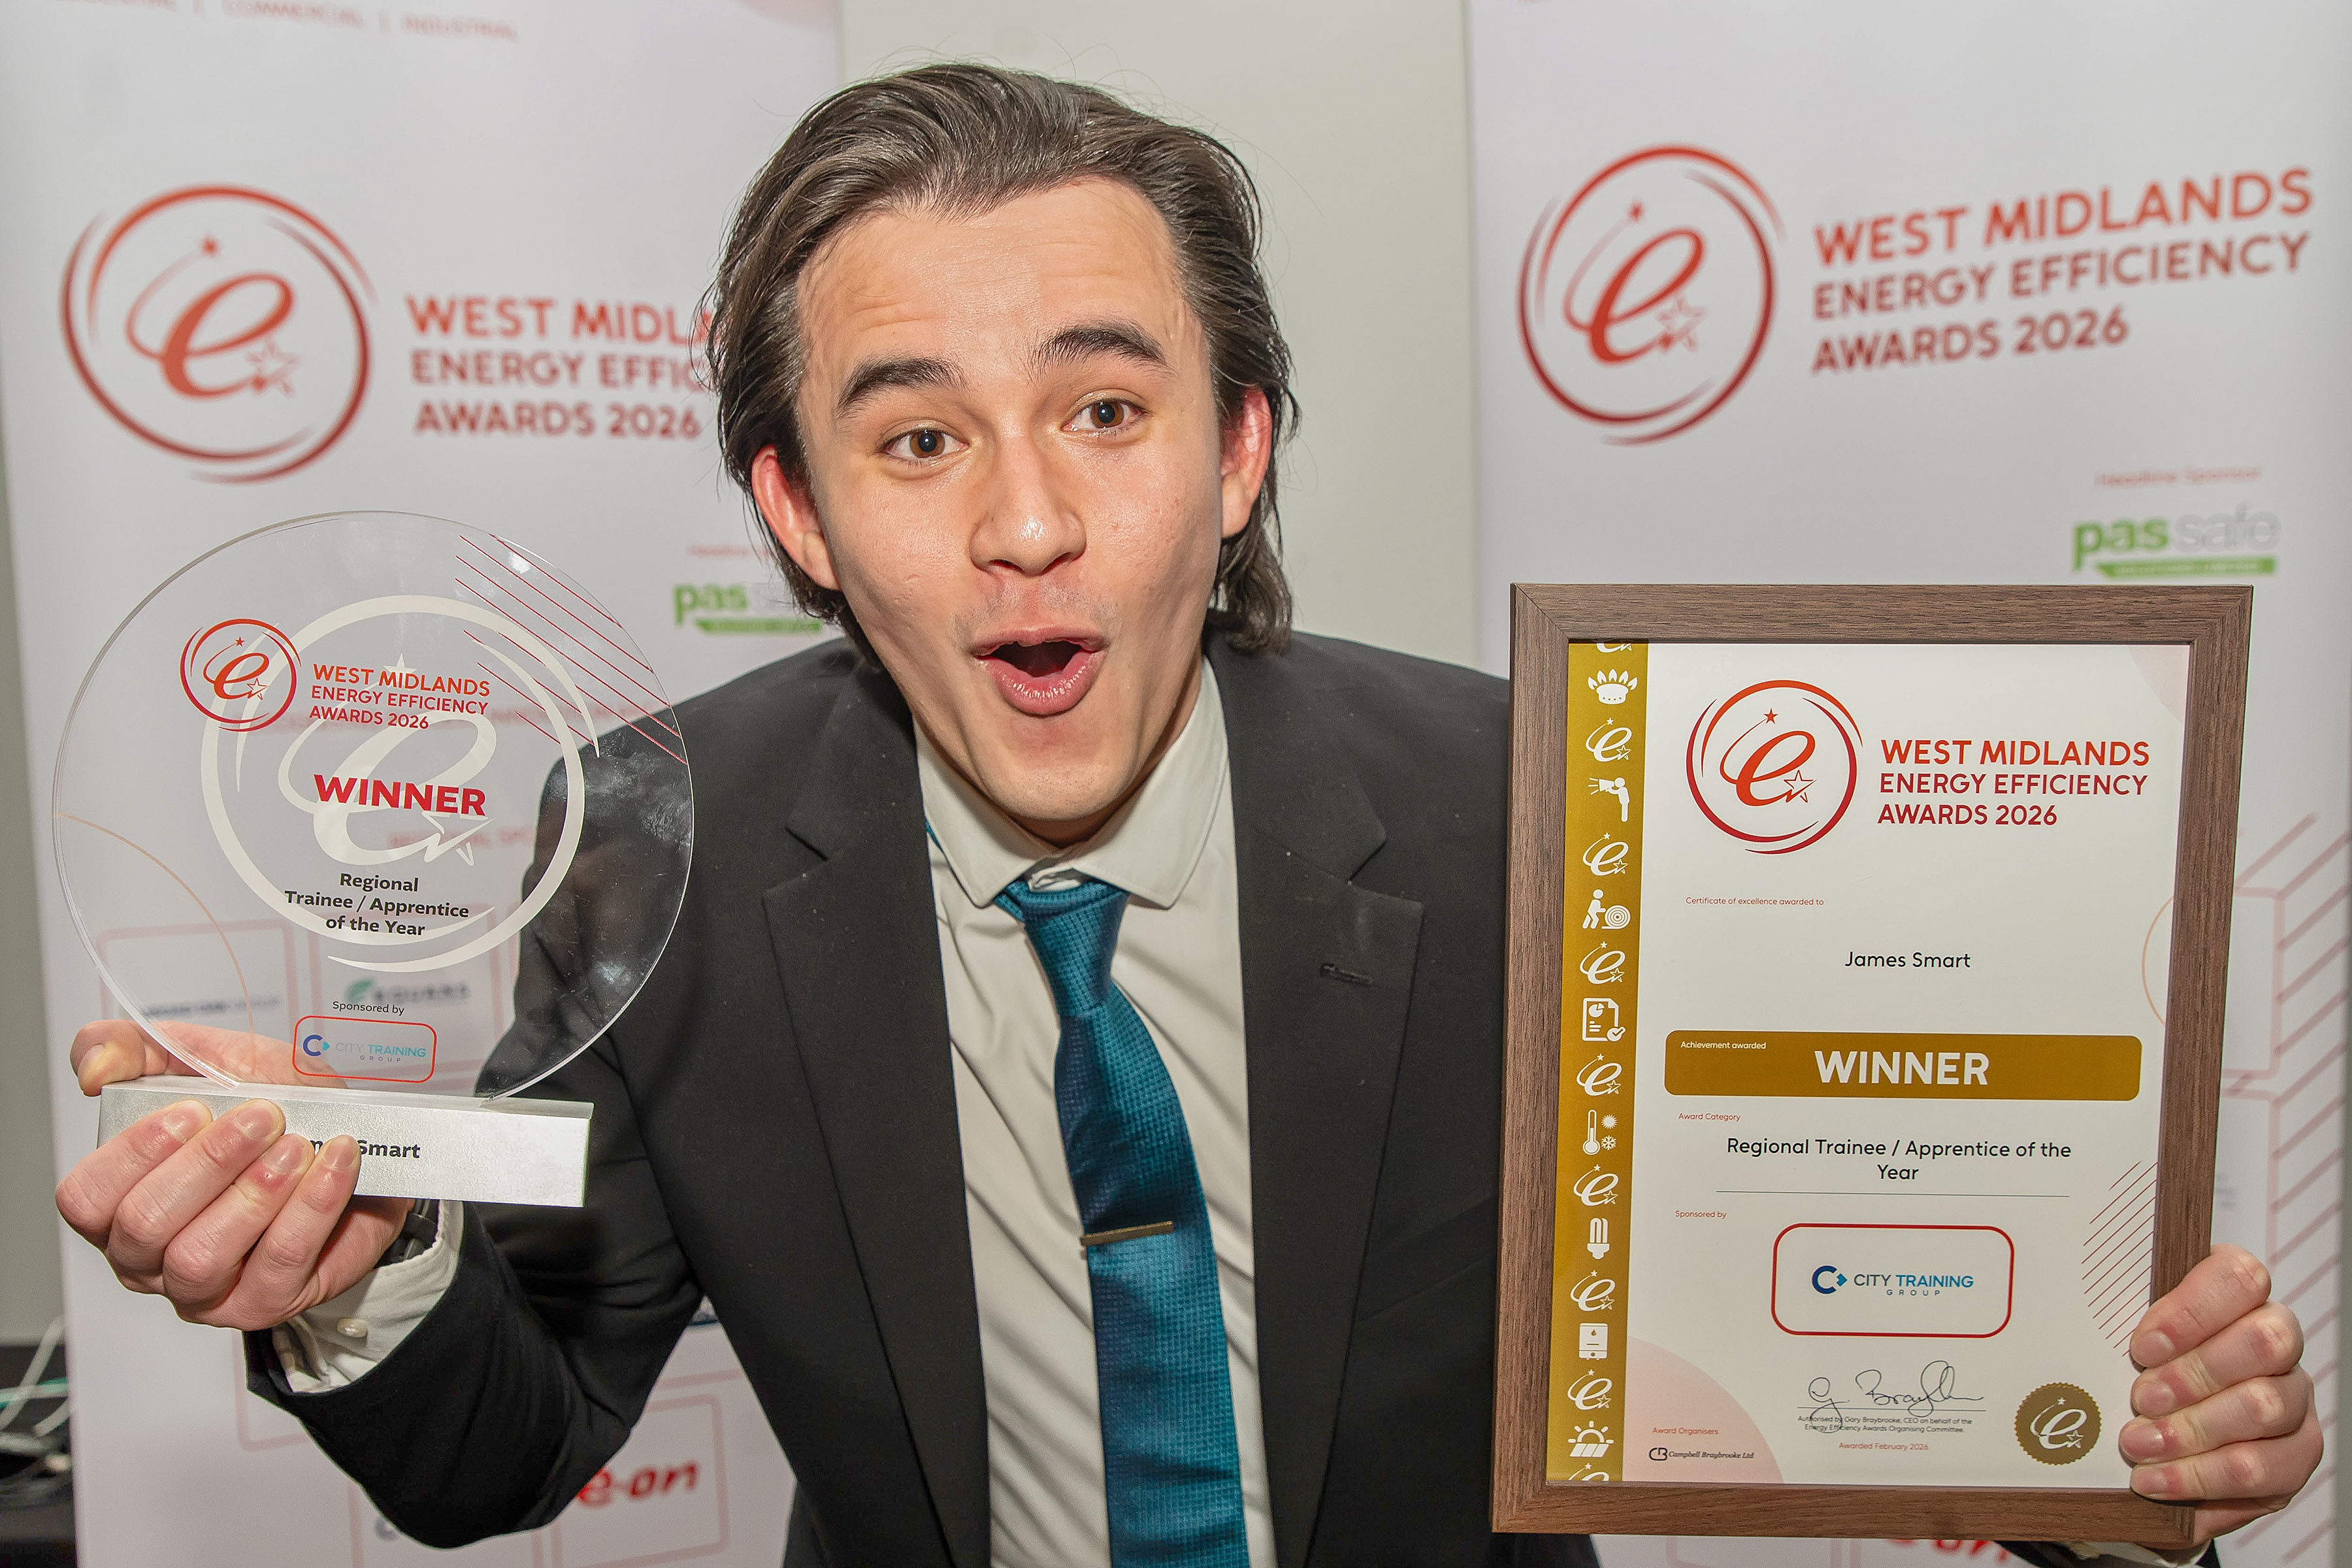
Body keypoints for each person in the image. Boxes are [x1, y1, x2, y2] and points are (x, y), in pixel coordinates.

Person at [55, 66, 2318, 1568]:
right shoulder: (666, 841)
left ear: (1237, 455)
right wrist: (348, 1261)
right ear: (800, 512)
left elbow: (1860, 1307)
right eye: (916, 439)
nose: (1027, 523)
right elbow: (506, 1445)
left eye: (1108, 412)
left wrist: (2110, 1462)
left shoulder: (1550, 816)